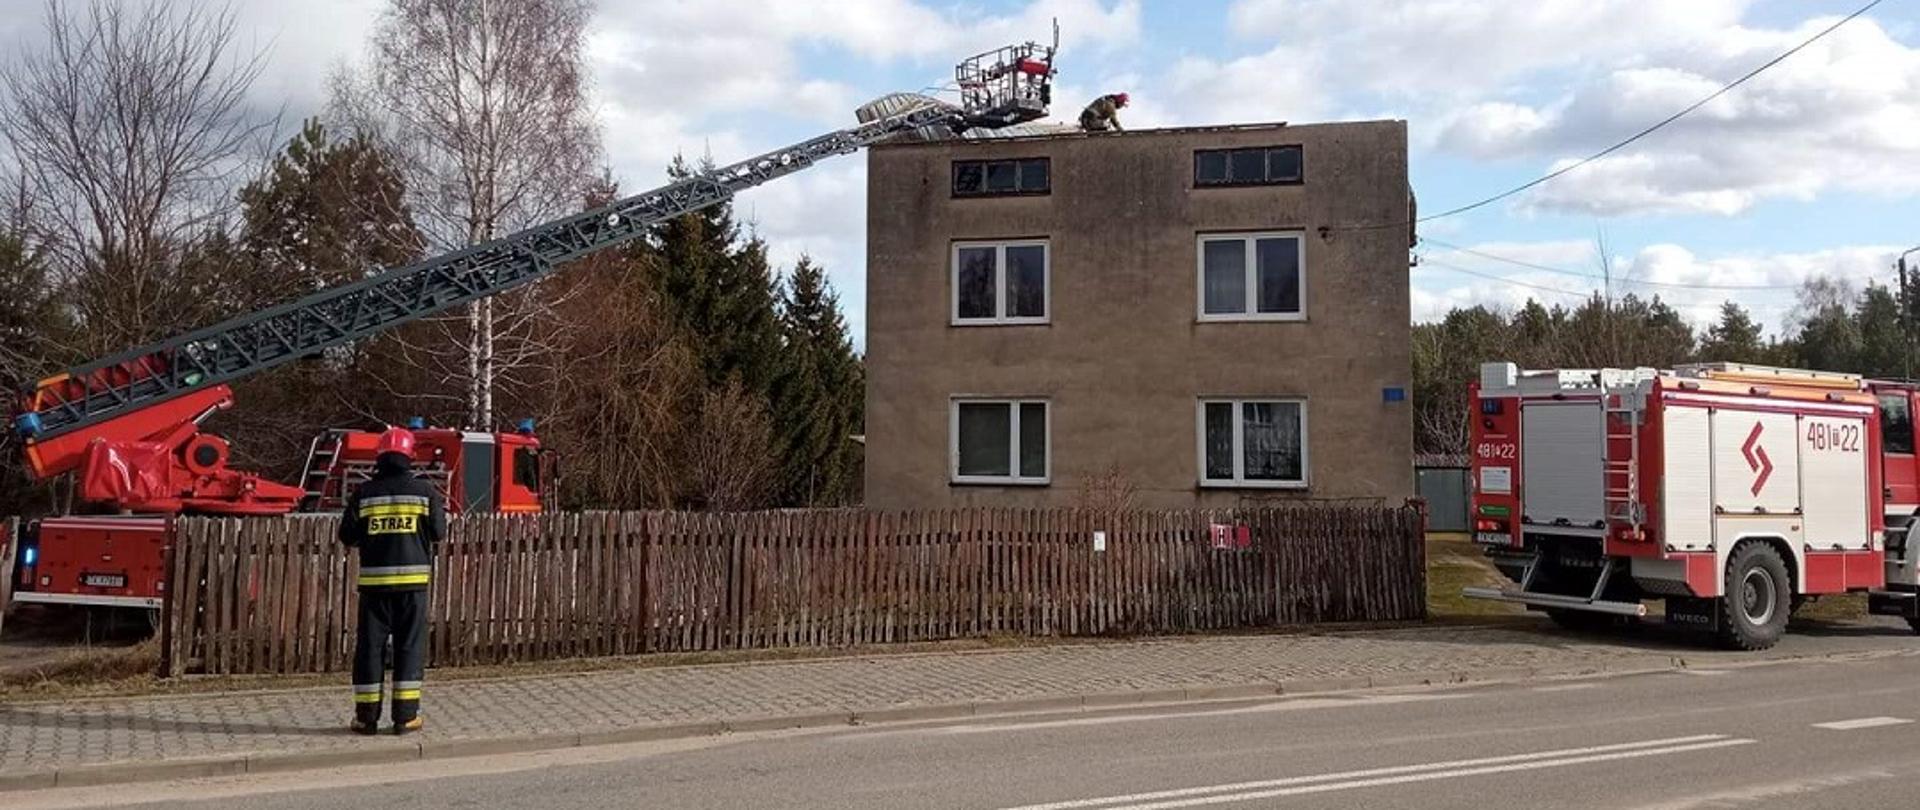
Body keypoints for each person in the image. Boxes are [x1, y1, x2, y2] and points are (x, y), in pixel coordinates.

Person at [340, 427, 445, 735]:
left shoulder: (364, 493)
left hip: (374, 588)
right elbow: (438, 532)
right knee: (409, 647)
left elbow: (347, 535)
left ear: (380, 456)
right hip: (413, 586)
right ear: (410, 456)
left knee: (370, 650)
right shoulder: (425, 492)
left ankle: (366, 718)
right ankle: (405, 717)